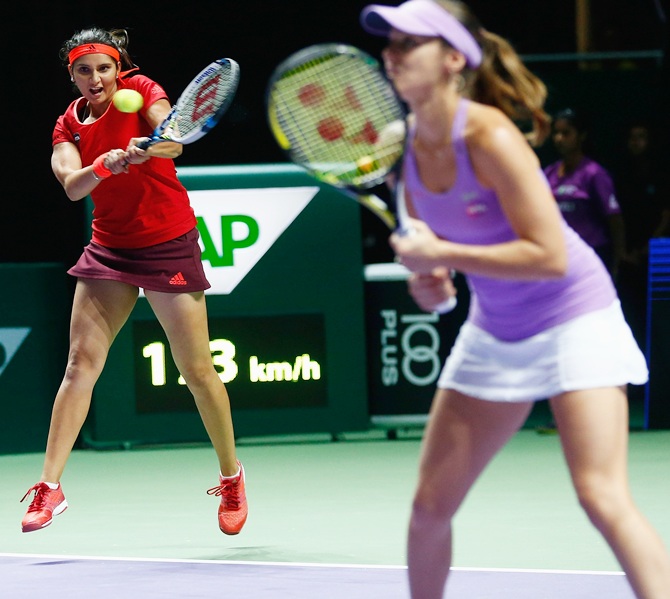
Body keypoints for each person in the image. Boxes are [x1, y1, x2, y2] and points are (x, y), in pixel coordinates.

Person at [359, 1, 670, 598]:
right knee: (429, 509)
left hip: (575, 317)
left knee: (601, 496)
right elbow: (437, 285)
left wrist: (442, 253)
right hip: (496, 327)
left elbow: (548, 254)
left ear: (454, 58)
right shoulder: (403, 151)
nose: (391, 55)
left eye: (409, 43)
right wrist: (430, 280)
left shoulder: (489, 135)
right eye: (390, 43)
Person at [19, 27, 247, 536]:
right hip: (110, 248)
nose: (96, 78)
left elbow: (174, 140)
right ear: (72, 75)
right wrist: (105, 163)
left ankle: (231, 476)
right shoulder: (66, 125)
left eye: (104, 68)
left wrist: (150, 146)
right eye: (84, 70)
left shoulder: (142, 90)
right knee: (80, 364)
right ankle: (49, 488)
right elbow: (74, 187)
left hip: (167, 240)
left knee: (196, 369)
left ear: (118, 68)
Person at [543, 108, 627, 279]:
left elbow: (615, 220)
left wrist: (619, 258)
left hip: (592, 254)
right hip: (560, 257)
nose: (559, 139)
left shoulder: (594, 174)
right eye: (556, 133)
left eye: (566, 133)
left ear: (581, 136)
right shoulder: (549, 173)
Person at [616, 120, 670, 354]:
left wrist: (650, 246)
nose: (636, 142)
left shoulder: (661, 173)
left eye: (642, 137)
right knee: (630, 318)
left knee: (656, 320)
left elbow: (666, 214)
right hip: (628, 256)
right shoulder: (621, 174)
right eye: (632, 137)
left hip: (656, 256)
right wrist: (624, 252)